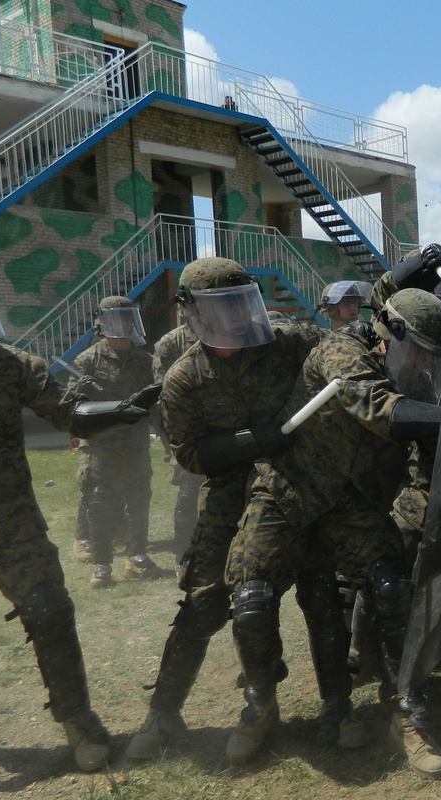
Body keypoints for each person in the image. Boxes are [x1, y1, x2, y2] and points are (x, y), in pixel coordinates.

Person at [222, 247, 441, 775]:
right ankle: (261, 704)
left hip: (345, 498)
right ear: (388, 332)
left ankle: (408, 713)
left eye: (431, 358)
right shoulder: (342, 353)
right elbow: (382, 412)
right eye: (417, 352)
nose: (422, 366)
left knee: (392, 586)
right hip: (285, 487)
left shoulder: (404, 363)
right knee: (253, 600)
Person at [0, 257, 161, 771]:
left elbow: (68, 412)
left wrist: (122, 410)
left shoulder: (10, 365)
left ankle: (78, 720)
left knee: (49, 612)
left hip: (10, 522)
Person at [125, 257, 326, 761]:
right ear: (193, 313)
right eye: (222, 308)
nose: (235, 317)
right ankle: (163, 714)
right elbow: (190, 453)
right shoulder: (184, 377)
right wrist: (251, 441)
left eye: (241, 304)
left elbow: (344, 352)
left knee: (302, 594)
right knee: (201, 604)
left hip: (297, 488)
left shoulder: (292, 343)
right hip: (229, 496)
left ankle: (269, 705)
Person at [67, 295, 162, 587]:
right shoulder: (87, 360)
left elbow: (157, 400)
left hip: (135, 442)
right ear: (102, 324)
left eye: (127, 318)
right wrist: (79, 392)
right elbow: (71, 407)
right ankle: (101, 566)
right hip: (102, 444)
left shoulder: (147, 360)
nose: (122, 325)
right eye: (115, 319)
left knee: (138, 498)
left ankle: (137, 558)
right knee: (100, 502)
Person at [152, 317, 203, 559]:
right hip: (192, 434)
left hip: (229, 429)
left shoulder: (230, 334)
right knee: (188, 496)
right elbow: (164, 395)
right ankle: (183, 553)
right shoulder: (170, 342)